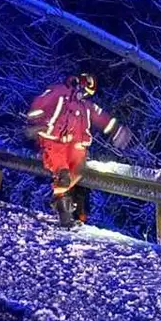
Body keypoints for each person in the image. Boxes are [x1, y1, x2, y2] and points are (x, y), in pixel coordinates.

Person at [25, 73, 133, 227]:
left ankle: (62, 203)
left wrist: (117, 130)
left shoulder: (86, 106)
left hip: (76, 146)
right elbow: (40, 103)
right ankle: (64, 216)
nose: (85, 95)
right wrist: (36, 124)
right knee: (63, 174)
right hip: (54, 142)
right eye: (85, 91)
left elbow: (101, 117)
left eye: (88, 94)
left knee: (78, 171)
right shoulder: (60, 92)